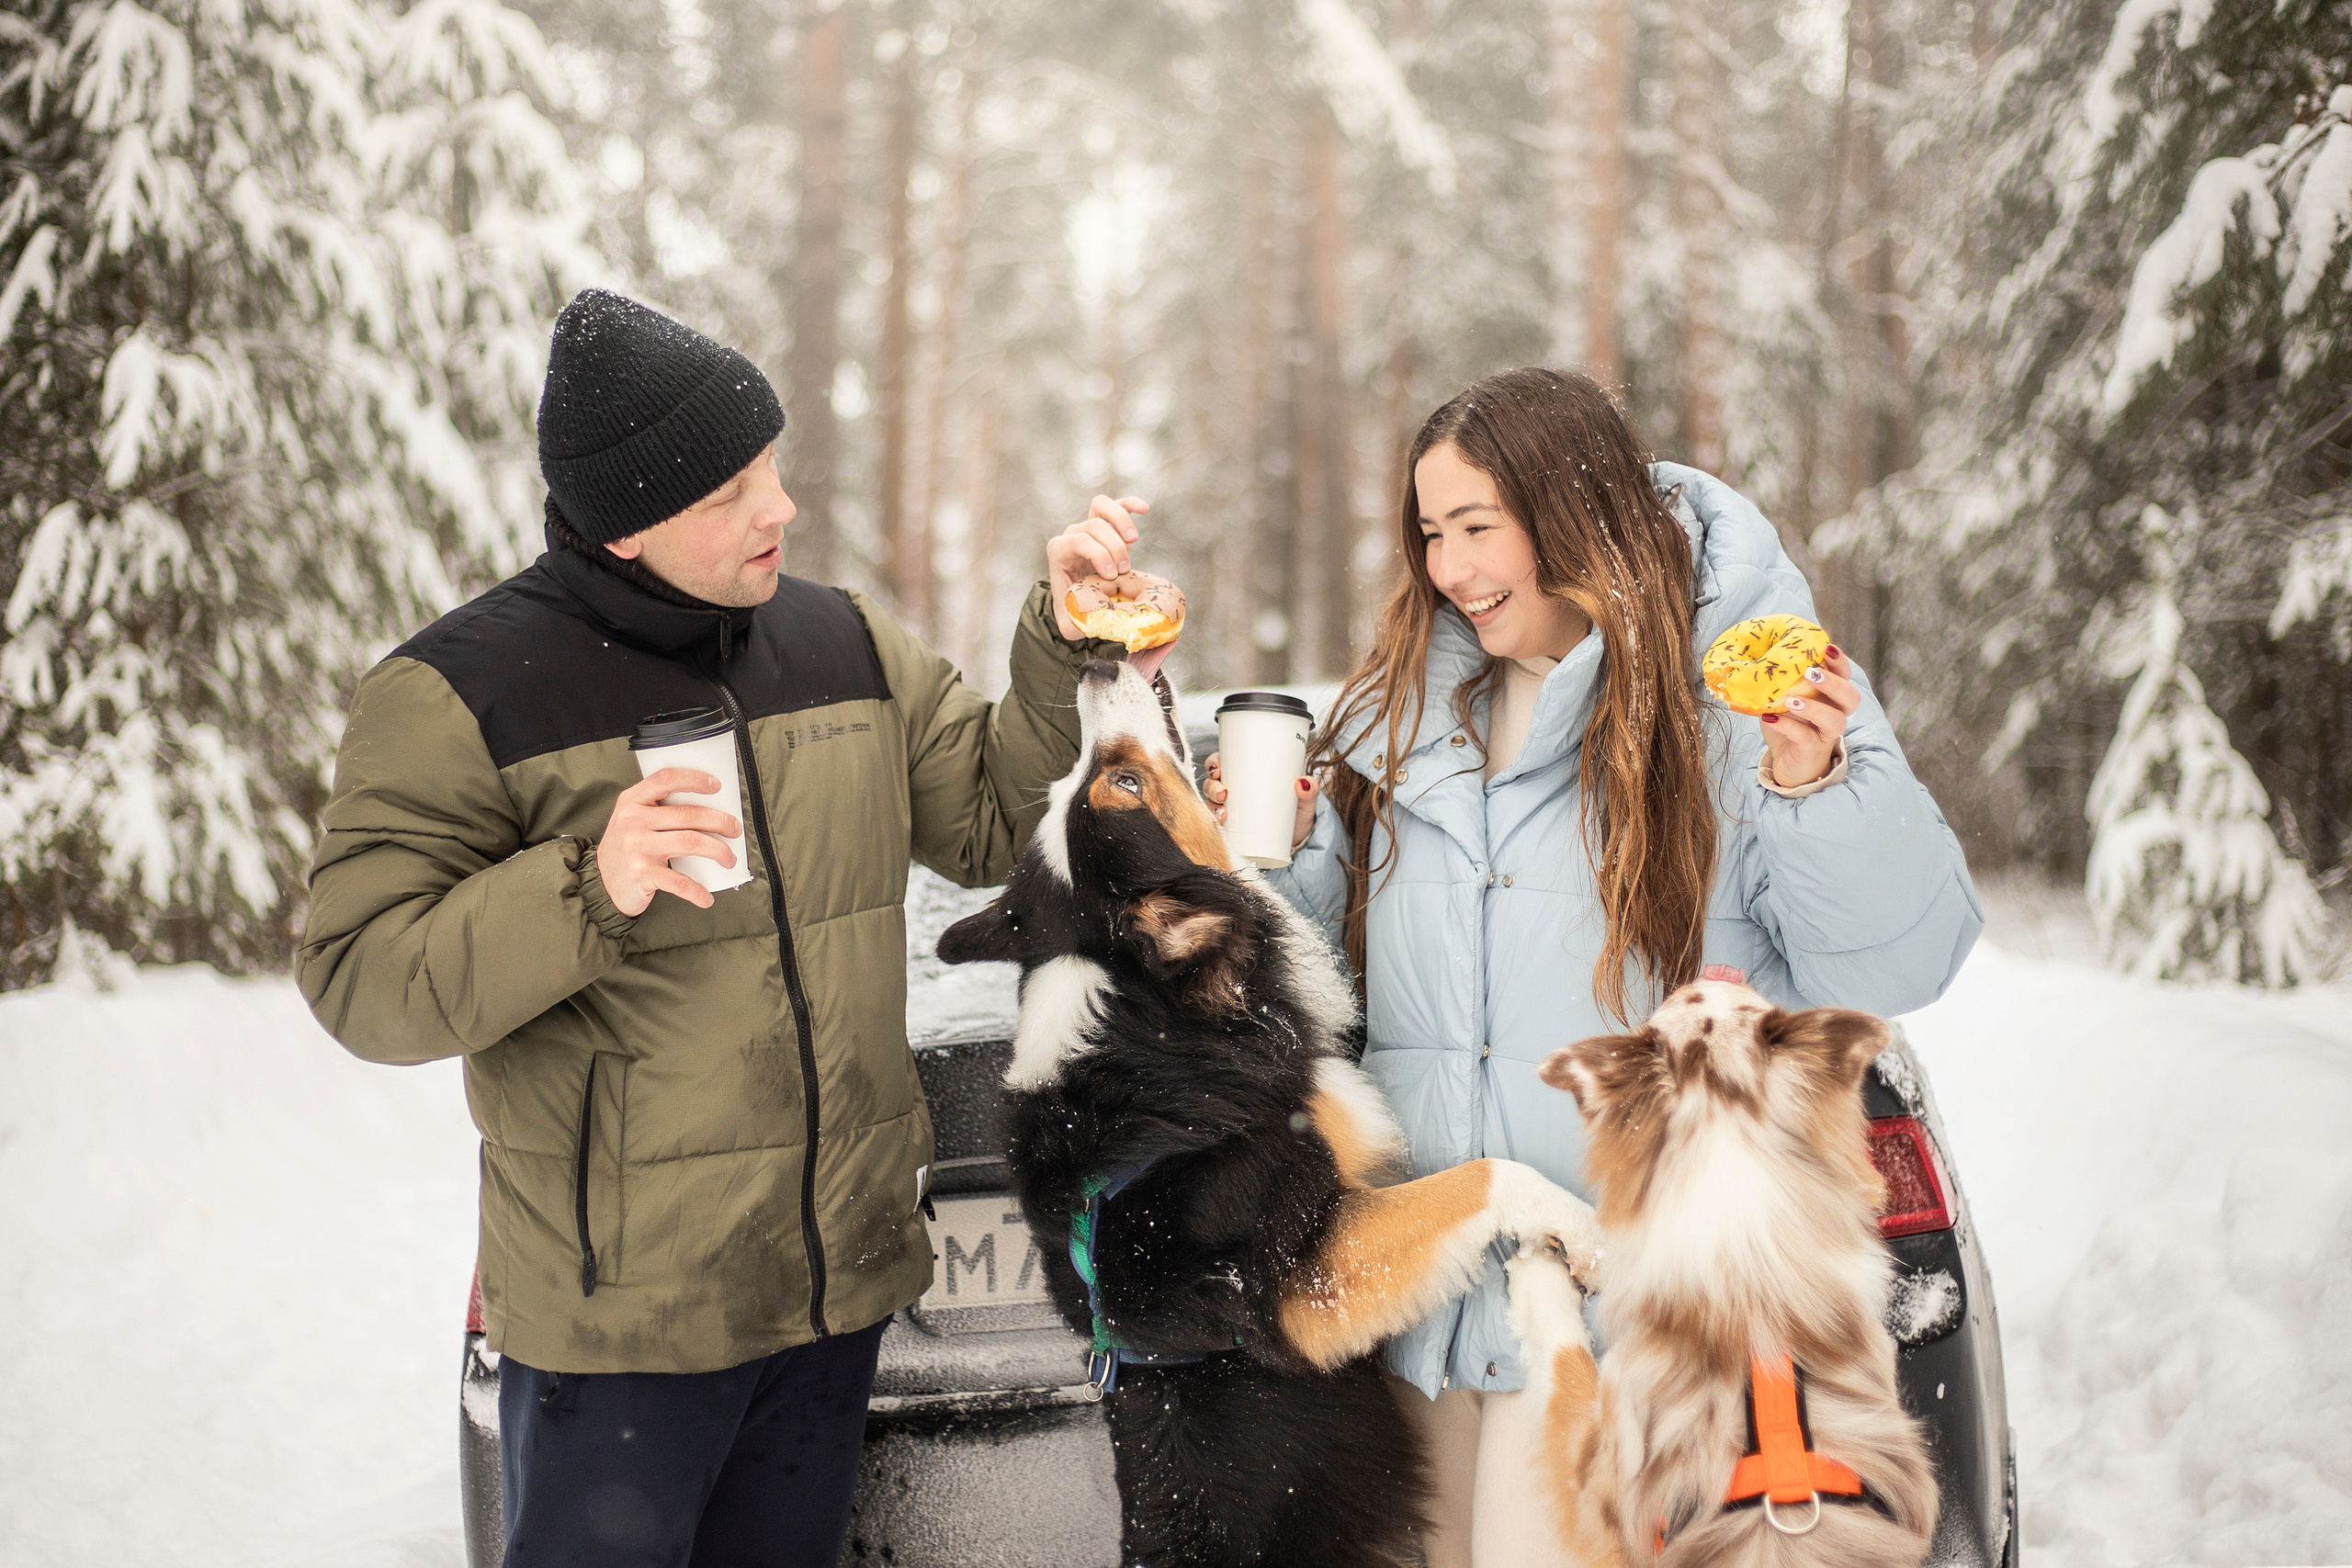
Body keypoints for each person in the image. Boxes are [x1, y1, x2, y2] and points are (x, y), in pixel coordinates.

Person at [296, 288, 1150, 1567]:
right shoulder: (459, 695)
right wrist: (587, 882)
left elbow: (983, 818)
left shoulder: (841, 641)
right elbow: (360, 979)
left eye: (773, 470)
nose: (781, 511)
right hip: (623, 1329)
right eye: (729, 494)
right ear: (624, 527)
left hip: (826, 1300)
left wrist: (1060, 636)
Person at [1208, 367, 1981, 1568]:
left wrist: (1818, 790)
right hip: (1420, 1319)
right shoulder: (1399, 721)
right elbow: (1346, 1010)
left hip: (1629, 1331)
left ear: (1570, 515)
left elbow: (1896, 962)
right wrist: (1297, 858)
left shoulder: (1736, 710)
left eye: (1479, 528)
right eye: (1430, 534)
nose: (1452, 568)